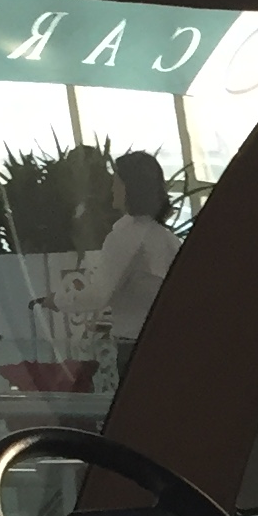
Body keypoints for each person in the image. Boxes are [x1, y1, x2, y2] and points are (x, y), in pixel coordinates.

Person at [64, 150, 179, 392]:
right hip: (165, 344)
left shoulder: (125, 237)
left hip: (134, 346)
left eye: (117, 181)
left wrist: (57, 300)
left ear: (130, 187)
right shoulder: (166, 238)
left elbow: (99, 295)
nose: (112, 188)